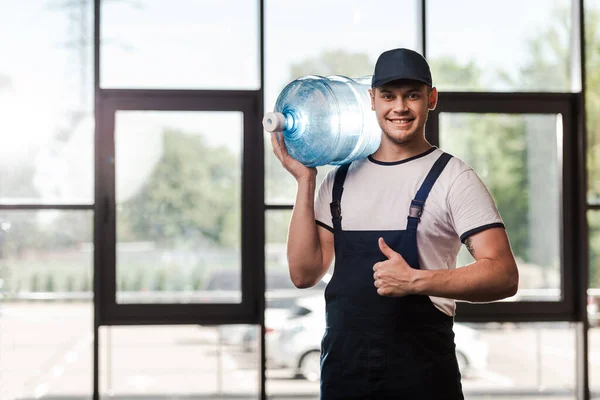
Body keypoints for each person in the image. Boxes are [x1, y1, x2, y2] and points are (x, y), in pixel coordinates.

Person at [270, 48, 519, 399]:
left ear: (431, 99)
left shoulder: (453, 178)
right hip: (345, 376)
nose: (399, 108)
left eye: (412, 95)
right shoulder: (337, 182)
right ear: (372, 99)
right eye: (388, 95)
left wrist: (417, 281)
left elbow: (503, 275)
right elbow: (303, 273)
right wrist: (305, 181)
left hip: (423, 377)